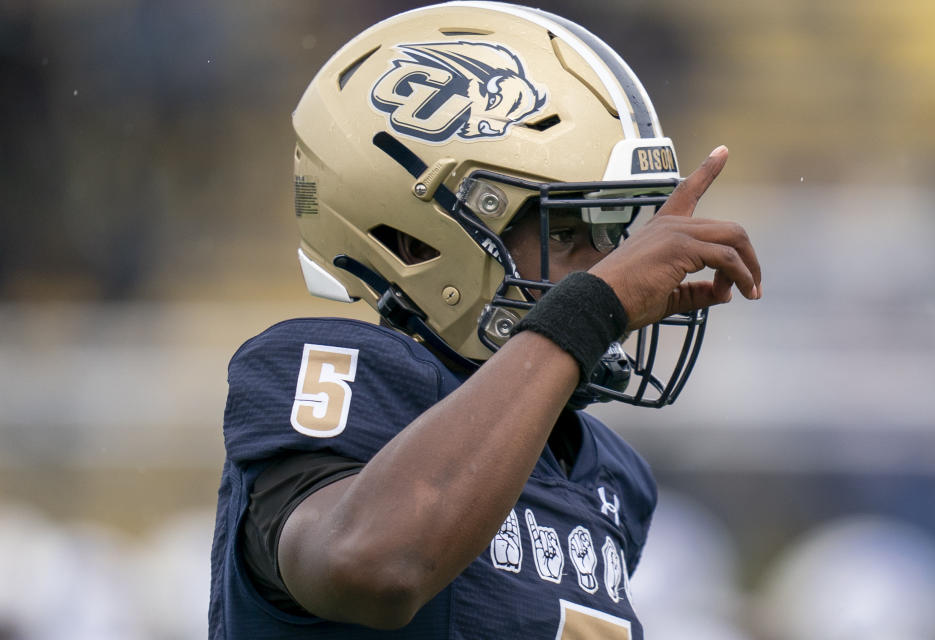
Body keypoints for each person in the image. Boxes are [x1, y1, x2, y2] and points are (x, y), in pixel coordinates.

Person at [208, 2, 762, 638]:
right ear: (418, 243)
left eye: (615, 230)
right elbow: (367, 562)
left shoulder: (610, 476)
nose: (611, 264)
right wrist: (587, 312)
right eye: (571, 228)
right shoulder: (334, 375)